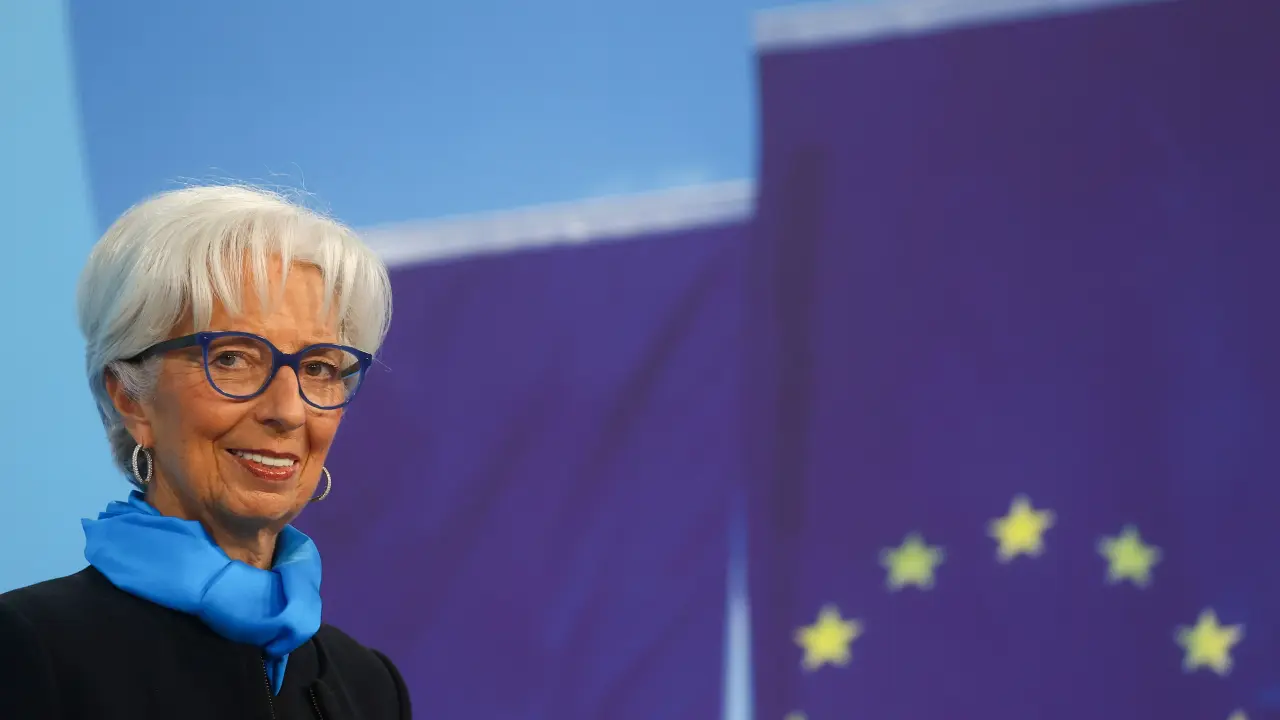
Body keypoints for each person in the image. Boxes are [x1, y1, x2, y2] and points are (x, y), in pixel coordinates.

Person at [0, 185, 410, 719]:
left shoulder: (367, 685)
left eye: (319, 368)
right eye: (233, 358)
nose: (288, 411)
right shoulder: (28, 650)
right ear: (130, 398)